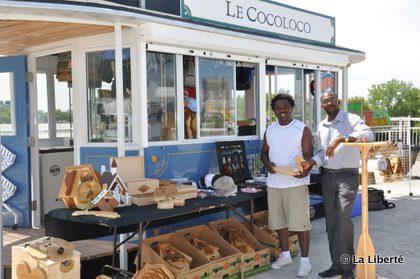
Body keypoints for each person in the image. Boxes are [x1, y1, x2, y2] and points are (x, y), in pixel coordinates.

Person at [301, 92, 374, 279]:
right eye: (325, 101)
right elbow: (321, 153)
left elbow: (368, 134)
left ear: (338, 102)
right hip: (327, 177)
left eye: (332, 99)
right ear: (322, 105)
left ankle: (348, 268)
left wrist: (341, 139)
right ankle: (337, 265)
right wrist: (311, 162)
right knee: (331, 223)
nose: (329, 102)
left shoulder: (351, 119)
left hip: (346, 177)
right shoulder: (322, 125)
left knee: (343, 221)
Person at [261, 94, 313, 277]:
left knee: (300, 224)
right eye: (278, 108)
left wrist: (304, 171)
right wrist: (268, 166)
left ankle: (305, 261)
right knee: (279, 223)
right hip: (274, 184)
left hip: (295, 184)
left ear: (292, 108)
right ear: (273, 110)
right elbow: (264, 154)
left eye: (285, 107)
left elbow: (308, 156)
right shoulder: (270, 130)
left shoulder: (302, 129)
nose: (282, 111)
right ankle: (285, 255)